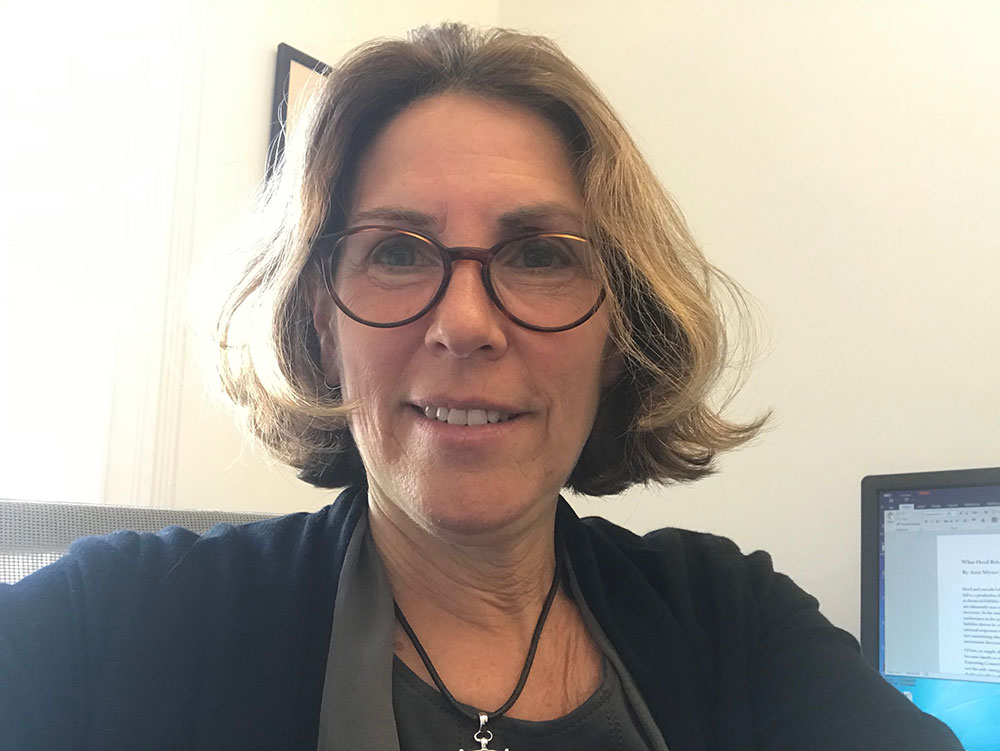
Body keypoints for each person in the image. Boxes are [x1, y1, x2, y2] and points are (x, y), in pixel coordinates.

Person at [0, 23, 963, 751]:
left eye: (540, 254)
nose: (465, 324)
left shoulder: (736, 623)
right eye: (396, 252)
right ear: (320, 324)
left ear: (620, 330)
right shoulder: (110, 623)